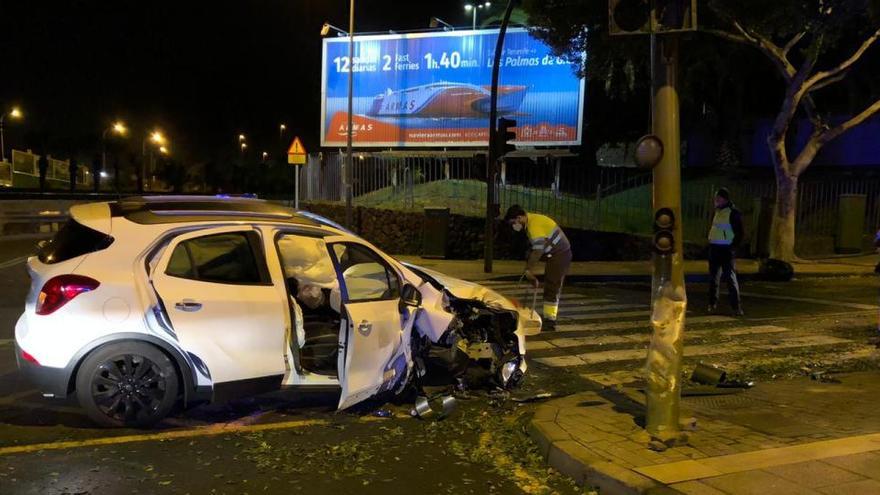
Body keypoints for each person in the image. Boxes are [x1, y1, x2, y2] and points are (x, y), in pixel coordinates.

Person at [505, 205, 572, 332]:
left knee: (552, 286)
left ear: (519, 218)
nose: (514, 226)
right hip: (554, 253)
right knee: (550, 284)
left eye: (514, 222)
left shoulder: (534, 225)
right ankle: (549, 318)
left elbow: (537, 251)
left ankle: (550, 321)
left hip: (560, 254)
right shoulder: (531, 222)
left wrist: (528, 270)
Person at [707, 187, 744, 316]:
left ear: (725, 199)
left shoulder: (733, 213)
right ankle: (712, 304)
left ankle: (736, 307)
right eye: (715, 197)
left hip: (726, 251)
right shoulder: (717, 212)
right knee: (713, 279)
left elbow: (739, 233)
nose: (716, 200)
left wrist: (733, 248)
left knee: (730, 279)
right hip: (714, 249)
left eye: (718, 197)